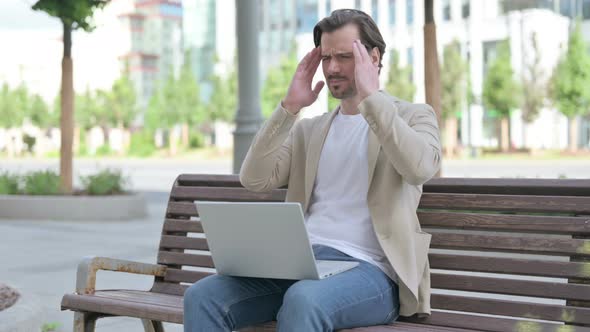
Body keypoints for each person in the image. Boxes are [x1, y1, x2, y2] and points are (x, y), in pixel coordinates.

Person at [184, 8, 441, 332]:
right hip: (302, 264)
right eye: (326, 57)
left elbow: (420, 168)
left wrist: (372, 98)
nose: (332, 68)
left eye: (345, 57)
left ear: (373, 57)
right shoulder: (310, 130)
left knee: (304, 299)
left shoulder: (413, 116)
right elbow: (255, 180)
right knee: (203, 296)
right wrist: (289, 108)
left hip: (374, 272)